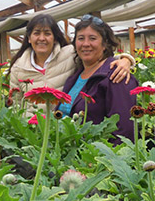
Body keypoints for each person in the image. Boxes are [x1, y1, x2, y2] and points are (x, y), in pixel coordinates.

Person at [8, 13, 134, 114]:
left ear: (55, 37)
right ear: (29, 38)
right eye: (36, 33)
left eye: (47, 33)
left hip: (61, 127)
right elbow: (16, 104)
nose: (42, 38)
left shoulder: (69, 54)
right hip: (32, 129)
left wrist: (126, 60)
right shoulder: (18, 67)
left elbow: (99, 57)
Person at [59, 14, 138, 142]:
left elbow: (124, 130)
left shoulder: (116, 75)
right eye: (80, 38)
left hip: (93, 157)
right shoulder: (73, 77)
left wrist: (104, 160)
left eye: (92, 38)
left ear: (105, 44)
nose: (85, 44)